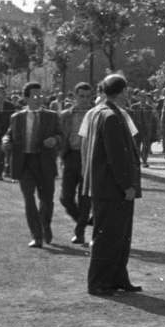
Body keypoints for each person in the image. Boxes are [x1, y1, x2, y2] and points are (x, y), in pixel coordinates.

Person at [81, 73, 143, 296]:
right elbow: (117, 156)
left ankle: (117, 277)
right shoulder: (112, 116)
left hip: (104, 186)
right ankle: (98, 282)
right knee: (109, 237)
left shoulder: (99, 112)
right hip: (113, 188)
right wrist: (127, 185)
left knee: (119, 236)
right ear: (123, 91)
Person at [5, 82, 64, 248]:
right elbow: (9, 135)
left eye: (40, 95)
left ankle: (45, 225)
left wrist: (55, 140)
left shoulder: (51, 116)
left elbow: (61, 136)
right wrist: (5, 142)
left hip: (44, 162)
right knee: (29, 198)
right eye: (34, 96)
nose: (39, 99)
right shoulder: (16, 117)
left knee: (47, 200)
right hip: (25, 163)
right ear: (26, 98)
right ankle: (36, 236)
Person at [58, 82, 96, 245]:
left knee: (85, 197)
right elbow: (60, 134)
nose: (85, 100)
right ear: (74, 97)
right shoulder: (66, 115)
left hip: (90, 158)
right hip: (71, 156)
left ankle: (79, 233)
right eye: (81, 96)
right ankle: (84, 220)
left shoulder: (96, 115)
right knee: (65, 198)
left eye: (88, 96)